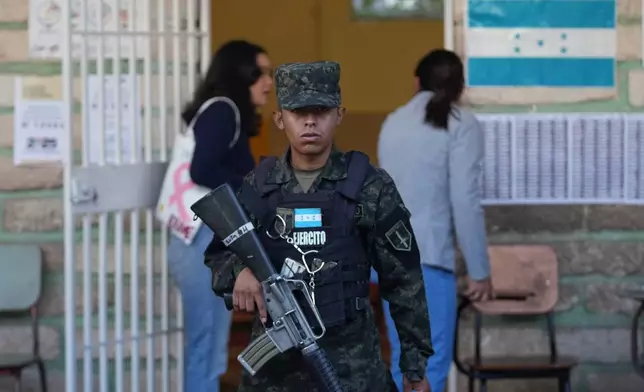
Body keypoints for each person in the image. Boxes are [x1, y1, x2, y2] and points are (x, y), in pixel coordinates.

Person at [204, 61, 433, 392]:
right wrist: (239, 271)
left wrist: (414, 365)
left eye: (321, 111)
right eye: (299, 112)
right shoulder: (259, 186)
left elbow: (404, 280)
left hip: (351, 365)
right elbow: (218, 254)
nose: (310, 121)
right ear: (280, 119)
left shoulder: (370, 187)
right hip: (274, 372)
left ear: (339, 115)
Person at [376, 49, 494, 392]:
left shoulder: (393, 121)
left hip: (389, 260)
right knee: (433, 368)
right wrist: (480, 269)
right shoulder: (461, 124)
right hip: (429, 261)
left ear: (416, 82)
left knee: (405, 365)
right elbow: (465, 200)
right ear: (460, 87)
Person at [166, 39, 273, 392]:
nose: (269, 82)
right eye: (261, 73)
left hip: (202, 241)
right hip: (198, 241)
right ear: (240, 74)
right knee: (206, 344)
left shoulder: (228, 113)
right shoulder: (223, 110)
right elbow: (201, 170)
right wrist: (250, 192)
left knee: (210, 345)